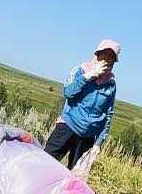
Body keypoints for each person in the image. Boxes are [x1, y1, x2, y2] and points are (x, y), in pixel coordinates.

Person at [45, 39, 121, 168]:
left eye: (111, 57)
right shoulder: (80, 71)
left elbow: (108, 114)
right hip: (67, 127)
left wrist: (98, 143)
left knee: (75, 176)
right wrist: (89, 76)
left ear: (114, 62)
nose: (107, 59)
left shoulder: (111, 84)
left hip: (87, 137)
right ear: (97, 54)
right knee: (46, 163)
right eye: (104, 54)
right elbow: (68, 92)